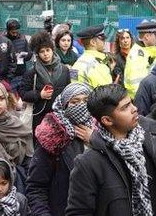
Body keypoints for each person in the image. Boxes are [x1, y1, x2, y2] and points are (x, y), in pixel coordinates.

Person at [65, 80, 156, 216]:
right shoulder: (89, 163)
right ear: (107, 120)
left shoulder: (155, 133)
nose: (134, 109)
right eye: (125, 108)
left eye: (131, 103)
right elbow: (79, 212)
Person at [25, 83, 95, 216]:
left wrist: (96, 140)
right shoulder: (53, 136)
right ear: (64, 105)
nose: (81, 105)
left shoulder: (101, 130)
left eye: (86, 101)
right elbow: (36, 187)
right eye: (75, 102)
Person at [19, 33, 70, 129]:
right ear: (38, 54)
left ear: (52, 50)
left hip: (60, 117)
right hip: (40, 117)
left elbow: (68, 92)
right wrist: (39, 95)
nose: (45, 54)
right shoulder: (32, 72)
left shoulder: (64, 70)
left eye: (48, 50)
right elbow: (23, 93)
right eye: (42, 51)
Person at [123, 20, 156, 98]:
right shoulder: (138, 55)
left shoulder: (146, 51)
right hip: (141, 99)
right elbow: (137, 85)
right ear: (147, 37)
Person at [5, 20, 31, 92]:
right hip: (9, 76)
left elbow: (29, 54)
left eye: (16, 32)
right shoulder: (4, 40)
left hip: (21, 73)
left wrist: (25, 55)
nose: (15, 34)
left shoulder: (23, 39)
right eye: (13, 32)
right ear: (8, 30)